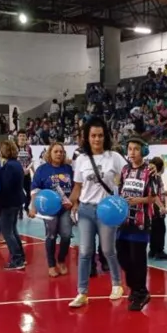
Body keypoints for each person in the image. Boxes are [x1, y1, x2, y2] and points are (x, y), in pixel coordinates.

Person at [68, 117, 125, 308]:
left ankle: (117, 284)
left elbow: (129, 173)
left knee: (108, 250)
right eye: (93, 135)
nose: (97, 139)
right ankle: (82, 292)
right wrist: (71, 201)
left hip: (107, 211)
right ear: (87, 137)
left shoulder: (114, 157)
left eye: (100, 135)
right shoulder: (81, 159)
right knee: (85, 252)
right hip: (85, 210)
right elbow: (78, 187)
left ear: (105, 136)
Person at [116, 138, 158, 311]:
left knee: (138, 259)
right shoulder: (125, 170)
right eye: (130, 149)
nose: (132, 152)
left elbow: (154, 197)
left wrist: (137, 200)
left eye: (136, 149)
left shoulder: (150, 171)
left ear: (143, 151)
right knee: (123, 257)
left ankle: (141, 292)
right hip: (124, 221)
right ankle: (134, 287)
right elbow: (120, 191)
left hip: (141, 221)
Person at [29, 142, 74, 277]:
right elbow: (35, 189)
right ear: (50, 153)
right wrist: (33, 207)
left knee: (66, 235)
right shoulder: (42, 170)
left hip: (65, 208)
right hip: (49, 210)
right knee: (51, 235)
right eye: (56, 151)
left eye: (61, 152)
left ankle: (61, 260)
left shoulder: (68, 169)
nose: (59, 154)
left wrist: (72, 202)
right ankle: (51, 264)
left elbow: (75, 187)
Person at [0, 141, 27, 270]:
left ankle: (17, 259)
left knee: (7, 231)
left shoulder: (9, 166)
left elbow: (6, 185)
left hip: (8, 202)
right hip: (17, 201)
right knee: (13, 230)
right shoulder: (17, 164)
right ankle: (20, 256)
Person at [147, 156, 167, 261]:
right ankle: (159, 252)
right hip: (156, 208)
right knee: (160, 230)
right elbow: (155, 196)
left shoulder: (154, 178)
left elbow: (161, 193)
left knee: (154, 230)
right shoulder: (156, 178)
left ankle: (152, 250)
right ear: (162, 168)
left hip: (153, 208)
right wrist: (162, 207)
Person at [16, 130, 34, 218]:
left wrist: (34, 171)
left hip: (27, 174)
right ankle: (19, 210)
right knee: (18, 193)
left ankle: (26, 207)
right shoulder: (14, 147)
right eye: (20, 136)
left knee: (29, 192)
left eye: (24, 136)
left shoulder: (28, 148)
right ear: (17, 137)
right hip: (17, 175)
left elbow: (30, 161)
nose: (22, 138)